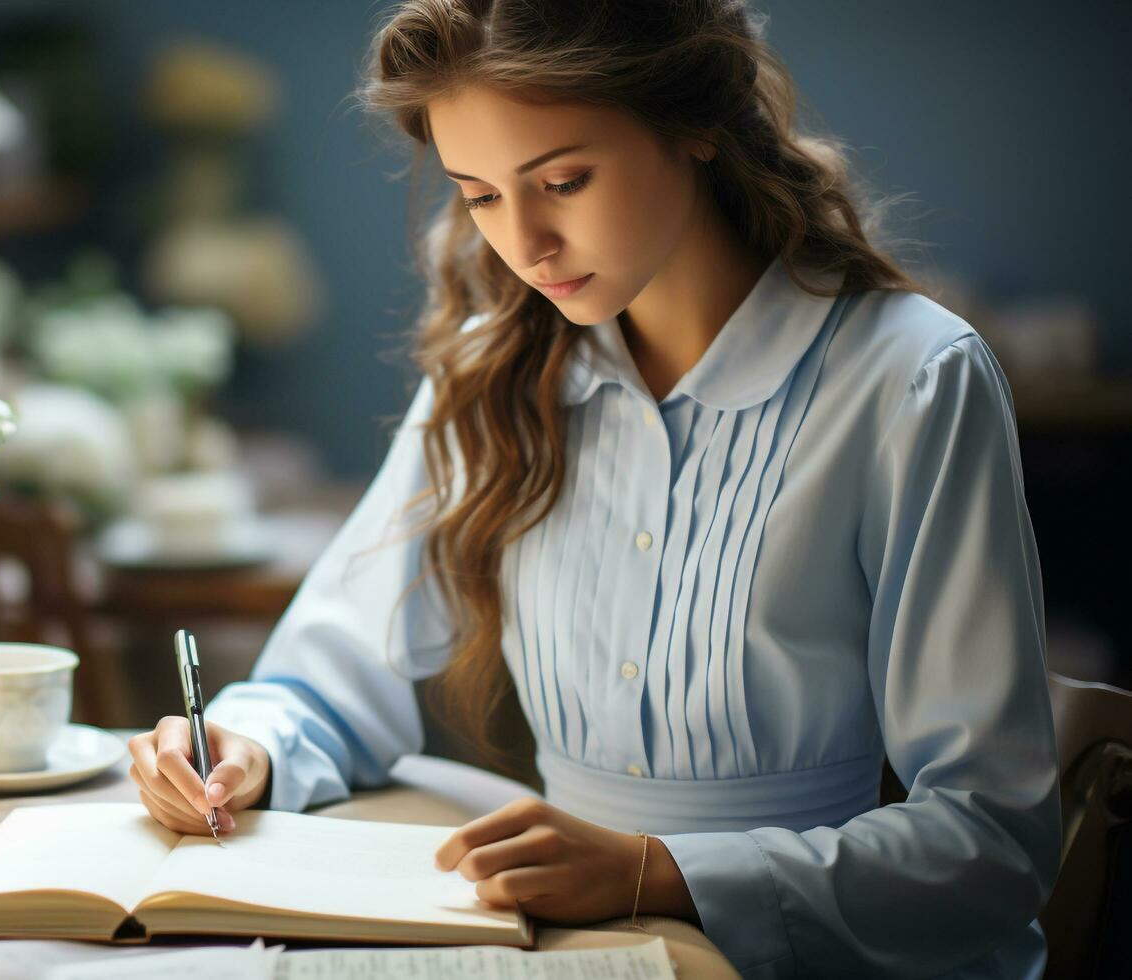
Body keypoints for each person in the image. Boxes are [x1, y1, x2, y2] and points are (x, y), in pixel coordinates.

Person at [125, 1, 1060, 976]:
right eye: (478, 196)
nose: (524, 244)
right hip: (561, 944)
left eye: (562, 181)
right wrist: (245, 745)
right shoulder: (491, 373)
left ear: (693, 123)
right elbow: (332, 673)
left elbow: (986, 844)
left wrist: (653, 870)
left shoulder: (906, 379)